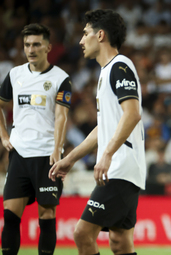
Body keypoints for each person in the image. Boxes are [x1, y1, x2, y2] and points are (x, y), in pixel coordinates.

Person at [49, 10, 146, 255]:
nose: (81, 40)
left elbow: (133, 114)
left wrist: (108, 154)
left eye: (85, 33)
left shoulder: (120, 66)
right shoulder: (106, 72)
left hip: (120, 168)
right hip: (123, 167)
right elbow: (102, 130)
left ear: (100, 35)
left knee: (83, 233)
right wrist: (70, 159)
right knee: (120, 241)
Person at [0, 24, 71, 255]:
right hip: (19, 153)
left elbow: (61, 116)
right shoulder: (15, 74)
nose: (31, 49)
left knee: (47, 216)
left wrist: (57, 149)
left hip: (46, 155)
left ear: (48, 47)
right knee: (10, 215)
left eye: (36, 44)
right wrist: (3, 135)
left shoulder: (61, 78)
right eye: (27, 44)